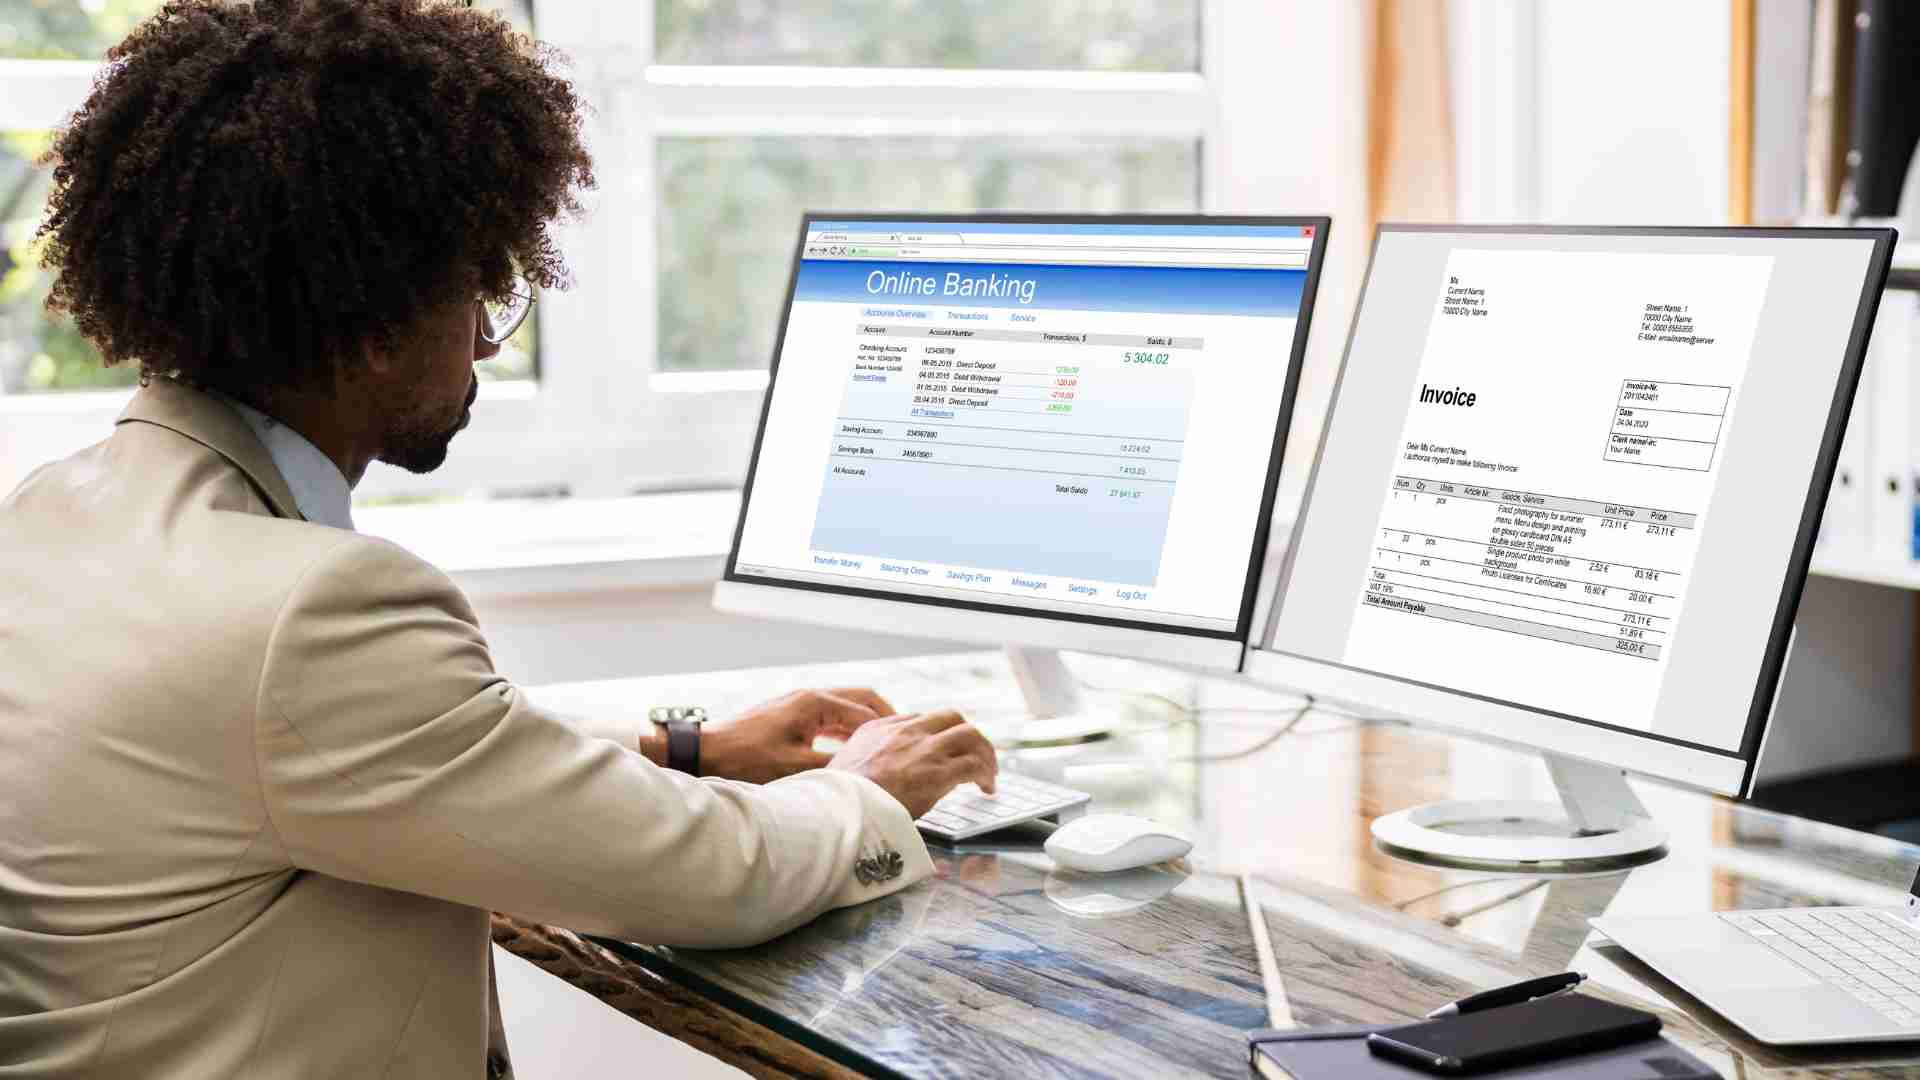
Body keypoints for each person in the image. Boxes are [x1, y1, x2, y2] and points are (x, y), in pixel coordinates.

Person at [0, 1, 998, 1076]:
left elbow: (359, 759)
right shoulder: (311, 616)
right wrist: (868, 789)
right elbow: (713, 877)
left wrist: (687, 748)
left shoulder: (57, 512)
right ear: (376, 324)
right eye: (480, 289)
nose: (486, 336)